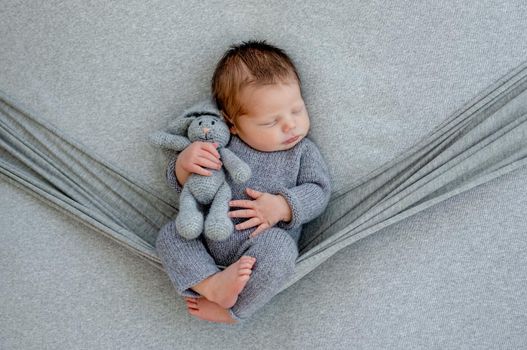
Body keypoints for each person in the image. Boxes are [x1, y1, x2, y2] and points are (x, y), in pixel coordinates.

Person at [156, 40, 331, 324]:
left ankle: (233, 310)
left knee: (282, 251)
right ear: (232, 124)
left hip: (262, 244)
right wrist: (184, 164)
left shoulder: (302, 153)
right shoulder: (225, 145)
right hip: (205, 237)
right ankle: (211, 283)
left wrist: (283, 206)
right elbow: (188, 187)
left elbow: (319, 191)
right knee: (170, 235)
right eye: (269, 122)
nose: (290, 125)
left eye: (297, 110)